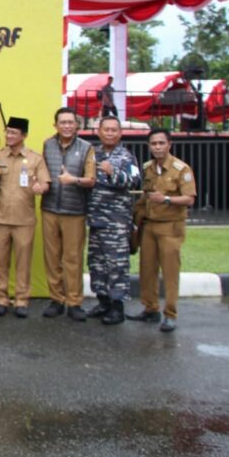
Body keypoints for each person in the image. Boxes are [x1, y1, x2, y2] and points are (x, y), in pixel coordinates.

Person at [129, 128, 196, 333]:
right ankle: (150, 308)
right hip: (149, 225)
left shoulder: (181, 169)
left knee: (170, 271)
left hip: (170, 226)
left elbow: (189, 199)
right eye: (153, 144)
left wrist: (166, 199)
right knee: (147, 269)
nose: (157, 147)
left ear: (169, 144)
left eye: (161, 143)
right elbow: (145, 195)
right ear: (149, 146)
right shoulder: (148, 168)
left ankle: (170, 314)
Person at [0, 117, 49, 318]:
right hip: (0, 219)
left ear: (24, 135)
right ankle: (1, 299)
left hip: (24, 220)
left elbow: (45, 183)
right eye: (7, 131)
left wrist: (40, 187)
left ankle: (21, 300)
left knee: (23, 262)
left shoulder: (35, 159)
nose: (9, 136)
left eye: (13, 133)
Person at [40, 107, 96, 321]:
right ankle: (56, 300)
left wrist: (74, 180)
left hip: (74, 211)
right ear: (55, 125)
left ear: (76, 125)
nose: (66, 126)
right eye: (62, 122)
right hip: (49, 209)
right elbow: (43, 172)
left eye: (70, 122)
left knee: (73, 259)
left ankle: (74, 302)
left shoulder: (86, 148)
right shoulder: (48, 145)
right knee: (52, 258)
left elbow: (91, 180)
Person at [86, 116, 140, 325]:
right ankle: (103, 301)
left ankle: (117, 307)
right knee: (96, 262)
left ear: (120, 133)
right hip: (96, 219)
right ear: (99, 131)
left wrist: (113, 172)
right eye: (106, 129)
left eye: (113, 130)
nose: (109, 133)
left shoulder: (127, 157)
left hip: (116, 221)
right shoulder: (93, 153)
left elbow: (135, 181)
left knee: (116, 264)